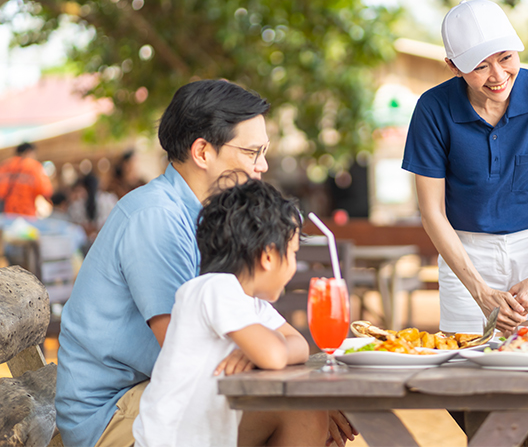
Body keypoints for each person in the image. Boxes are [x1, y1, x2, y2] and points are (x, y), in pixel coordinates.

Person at [55, 80, 335, 447]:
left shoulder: (219, 225)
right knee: (301, 411)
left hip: (155, 394)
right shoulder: (156, 218)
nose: (262, 166)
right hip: (113, 413)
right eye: (253, 152)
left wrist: (257, 355)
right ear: (203, 151)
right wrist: (263, 359)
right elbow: (187, 354)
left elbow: (287, 341)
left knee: (306, 409)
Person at [402, 0, 528, 335]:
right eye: (480, 66)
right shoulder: (432, 110)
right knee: (469, 374)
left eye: (506, 58)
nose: (498, 76)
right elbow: (432, 213)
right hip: (466, 256)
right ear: (453, 66)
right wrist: (479, 291)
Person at [133, 177, 319, 446]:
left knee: (307, 413)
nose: (293, 266)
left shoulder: (251, 303)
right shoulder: (214, 288)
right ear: (268, 256)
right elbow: (275, 354)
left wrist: (252, 352)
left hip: (206, 437)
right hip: (171, 441)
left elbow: (299, 346)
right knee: (305, 413)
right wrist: (263, 351)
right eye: (292, 254)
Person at [0, 141, 53, 216]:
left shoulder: (5, 165)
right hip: (27, 214)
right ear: (29, 152)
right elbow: (46, 191)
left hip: (6, 214)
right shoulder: (34, 166)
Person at [67, 172, 118, 243]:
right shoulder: (109, 199)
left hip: (86, 243)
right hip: (107, 240)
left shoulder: (78, 204)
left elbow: (75, 226)